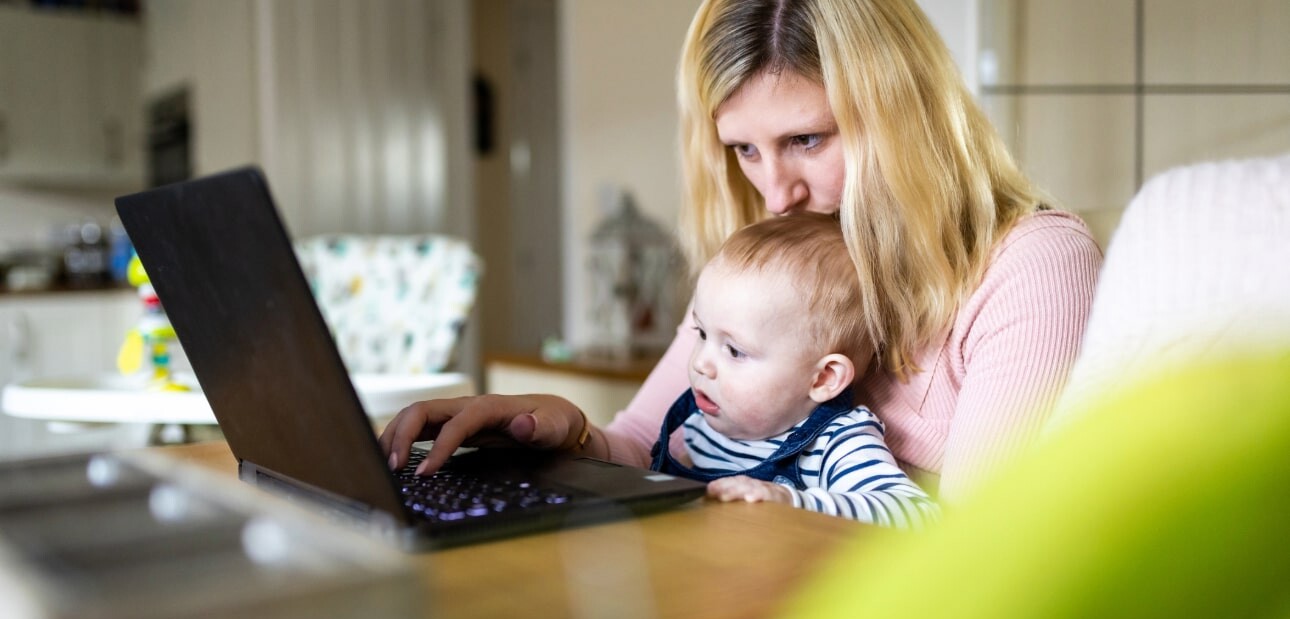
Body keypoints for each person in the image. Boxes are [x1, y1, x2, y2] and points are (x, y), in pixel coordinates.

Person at [380, 0, 1101, 504]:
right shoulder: (779, 259)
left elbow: (977, 547)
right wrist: (565, 432)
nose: (776, 193)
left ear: (904, 114)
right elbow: (649, 444)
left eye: (806, 140)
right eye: (745, 151)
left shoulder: (1032, 264)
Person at [652, 213, 937, 528]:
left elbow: (916, 513)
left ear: (824, 378)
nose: (700, 363)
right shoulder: (702, 425)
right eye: (702, 334)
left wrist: (793, 501)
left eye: (734, 351)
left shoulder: (835, 443)